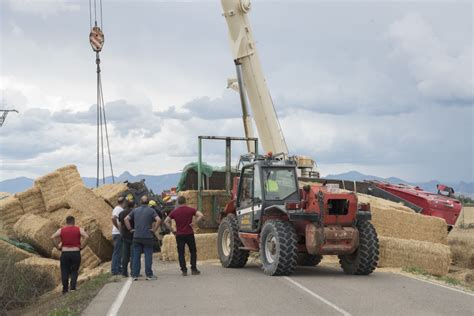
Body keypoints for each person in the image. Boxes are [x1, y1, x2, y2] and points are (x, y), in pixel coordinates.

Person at [164, 196, 204, 276]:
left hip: (179, 234)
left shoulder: (174, 211)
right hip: (189, 233)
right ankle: (194, 269)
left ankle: (184, 270)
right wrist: (195, 223)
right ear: (185, 201)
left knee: (181, 253)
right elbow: (201, 215)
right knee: (193, 251)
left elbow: (166, 221)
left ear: (178, 202)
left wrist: (172, 230)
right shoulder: (190, 210)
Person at [125, 195, 161, 281]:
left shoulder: (135, 210)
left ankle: (134, 275)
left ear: (140, 202)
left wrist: (130, 229)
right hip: (148, 236)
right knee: (148, 255)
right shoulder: (151, 210)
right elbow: (159, 220)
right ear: (148, 202)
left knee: (136, 256)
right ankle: (149, 274)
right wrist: (154, 229)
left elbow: (126, 219)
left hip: (137, 236)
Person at [51, 216, 89, 294]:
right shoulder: (78, 229)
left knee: (64, 271)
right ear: (74, 221)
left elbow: (52, 237)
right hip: (75, 252)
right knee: (74, 271)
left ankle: (65, 290)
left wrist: (57, 247)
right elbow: (87, 237)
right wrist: (82, 246)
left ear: (66, 222)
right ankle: (72, 288)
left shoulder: (61, 230)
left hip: (65, 253)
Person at [119, 196, 135, 277]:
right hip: (133, 235)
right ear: (134, 205)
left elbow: (120, 224)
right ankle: (133, 272)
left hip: (125, 236)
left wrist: (121, 233)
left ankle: (124, 272)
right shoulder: (135, 212)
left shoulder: (122, 213)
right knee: (133, 255)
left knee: (125, 255)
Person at [111, 197, 126, 275]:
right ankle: (114, 270)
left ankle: (118, 268)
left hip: (117, 233)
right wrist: (118, 228)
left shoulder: (118, 209)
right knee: (117, 252)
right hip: (117, 233)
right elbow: (113, 218)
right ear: (124, 202)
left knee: (119, 252)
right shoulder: (118, 209)